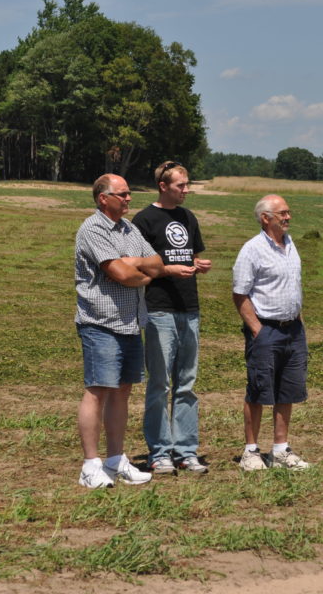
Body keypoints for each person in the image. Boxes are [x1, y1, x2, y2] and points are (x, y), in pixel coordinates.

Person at [75, 173, 164, 488]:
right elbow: (119, 273)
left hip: (130, 323)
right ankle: (90, 465)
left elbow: (156, 263)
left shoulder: (129, 228)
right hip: (101, 323)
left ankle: (115, 460)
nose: (129, 199)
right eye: (123, 194)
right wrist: (139, 274)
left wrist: (136, 263)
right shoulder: (93, 228)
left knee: (123, 391)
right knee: (98, 390)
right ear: (104, 198)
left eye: (129, 193)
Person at [132, 161, 211, 474]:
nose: (186, 190)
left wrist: (197, 264)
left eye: (187, 184)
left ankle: (185, 450)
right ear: (163, 186)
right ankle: (160, 451)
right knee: (160, 384)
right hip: (159, 309)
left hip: (189, 309)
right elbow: (137, 264)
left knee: (187, 384)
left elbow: (188, 254)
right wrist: (167, 270)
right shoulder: (144, 220)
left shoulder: (188, 217)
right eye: (181, 185)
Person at [232, 194, 310, 471]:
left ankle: (280, 450)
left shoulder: (290, 244)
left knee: (287, 390)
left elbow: (293, 287)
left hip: (293, 330)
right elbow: (240, 294)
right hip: (266, 330)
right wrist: (257, 330)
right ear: (266, 218)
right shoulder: (252, 249)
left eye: (289, 212)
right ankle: (251, 452)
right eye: (282, 213)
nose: (288, 217)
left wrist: (298, 322)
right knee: (258, 389)